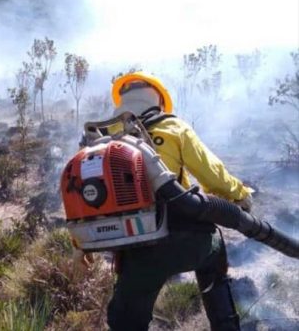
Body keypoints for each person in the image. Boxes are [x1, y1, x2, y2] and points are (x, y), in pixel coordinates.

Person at [91, 72, 253, 331]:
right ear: (157, 98)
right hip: (186, 239)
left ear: (122, 99)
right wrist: (240, 196)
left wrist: (82, 247)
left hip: (133, 247)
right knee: (213, 251)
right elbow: (213, 176)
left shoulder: (100, 138)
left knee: (127, 322)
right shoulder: (172, 128)